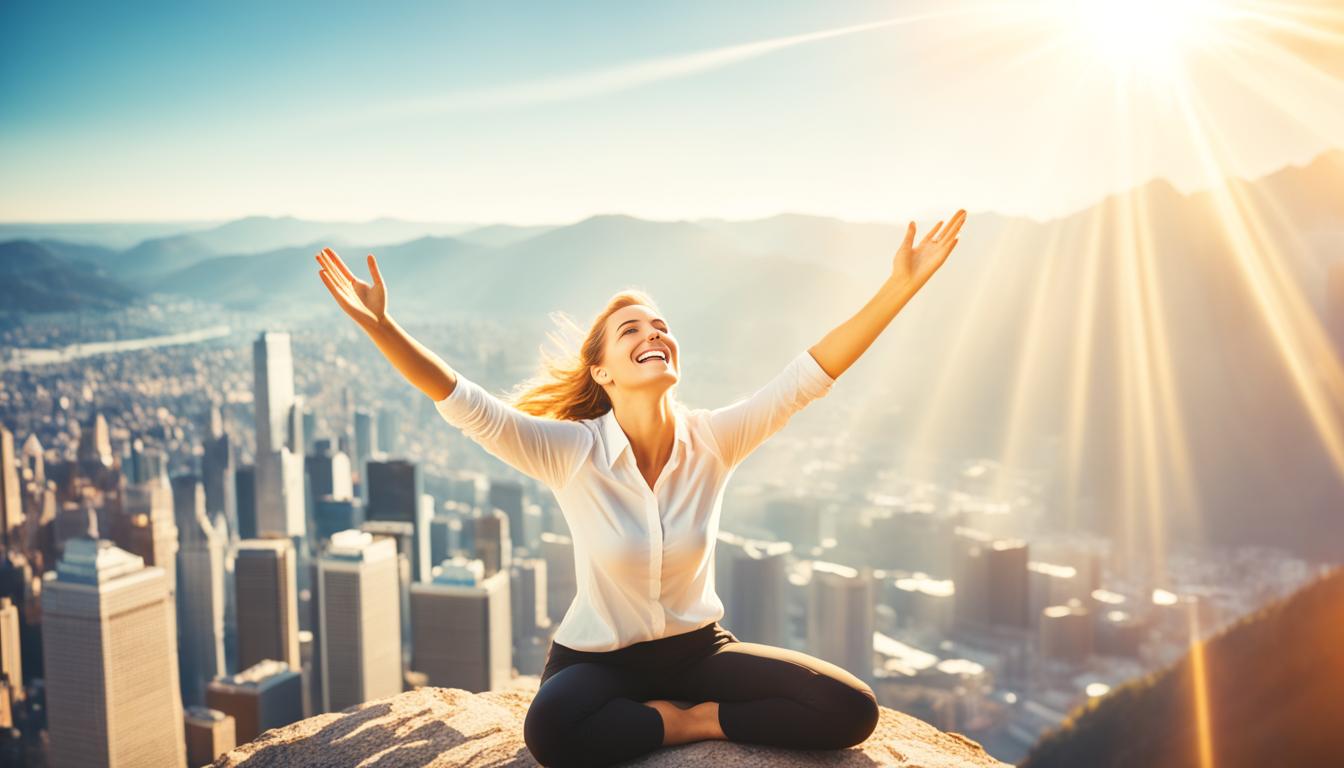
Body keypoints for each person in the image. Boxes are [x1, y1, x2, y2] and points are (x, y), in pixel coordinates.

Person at [314, 209, 966, 767]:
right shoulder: (571, 450)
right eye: (631, 330)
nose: (652, 334)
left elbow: (808, 375)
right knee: (550, 732)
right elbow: (462, 400)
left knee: (849, 709)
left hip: (699, 655)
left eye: (659, 326)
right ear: (602, 370)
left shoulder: (713, 438)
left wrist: (899, 288)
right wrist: (379, 324)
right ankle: (677, 723)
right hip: (594, 662)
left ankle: (698, 719)